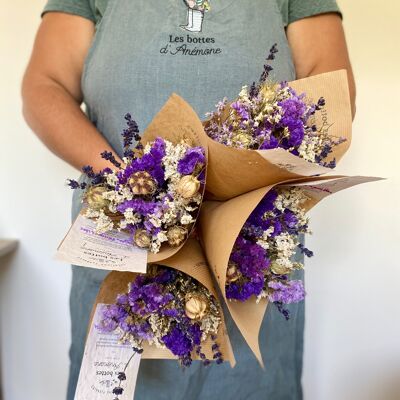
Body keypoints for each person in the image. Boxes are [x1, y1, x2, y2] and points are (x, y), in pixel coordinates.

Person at [22, 1, 356, 399]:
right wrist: (137, 187)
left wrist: (232, 200)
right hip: (124, 245)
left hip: (248, 252)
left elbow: (329, 97)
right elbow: (46, 86)